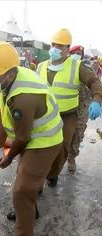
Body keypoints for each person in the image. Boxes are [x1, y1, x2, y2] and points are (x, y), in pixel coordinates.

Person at [0, 41, 63, 236]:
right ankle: (31, 210)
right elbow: (2, 116)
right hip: (33, 137)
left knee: (21, 190)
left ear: (8, 74)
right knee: (25, 178)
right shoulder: (9, 82)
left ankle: (23, 230)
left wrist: (7, 158)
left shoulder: (23, 97)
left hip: (45, 142)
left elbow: (23, 138)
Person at [36, 29, 102, 187]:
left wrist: (97, 100)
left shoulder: (77, 66)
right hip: (44, 116)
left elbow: (94, 82)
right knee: (41, 146)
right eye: (53, 45)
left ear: (67, 48)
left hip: (67, 116)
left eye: (60, 46)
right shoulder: (40, 66)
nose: (55, 49)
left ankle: (53, 174)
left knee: (63, 147)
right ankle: (38, 177)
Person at [67, 45, 92, 171]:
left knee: (78, 132)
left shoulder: (86, 69)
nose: (77, 55)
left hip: (82, 105)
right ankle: (58, 157)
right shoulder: (64, 69)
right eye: (74, 52)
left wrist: (97, 101)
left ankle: (72, 157)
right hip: (66, 106)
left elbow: (94, 84)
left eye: (79, 53)